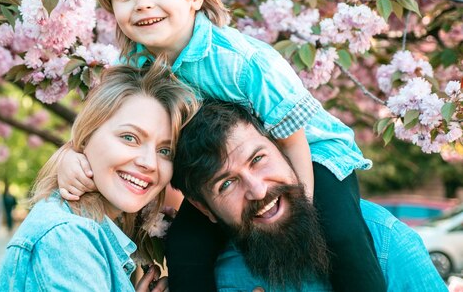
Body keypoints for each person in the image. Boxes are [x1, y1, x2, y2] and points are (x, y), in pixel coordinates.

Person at [59, 0, 384, 292]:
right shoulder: (136, 69)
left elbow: (294, 141)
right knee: (183, 245)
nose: (143, 3)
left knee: (341, 232)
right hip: (225, 174)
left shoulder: (239, 60)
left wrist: (301, 208)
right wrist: (73, 154)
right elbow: (103, 128)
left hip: (313, 155)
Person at [171, 99, 447, 291]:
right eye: (226, 184)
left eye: (257, 159)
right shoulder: (204, 269)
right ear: (203, 207)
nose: (257, 190)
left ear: (283, 147)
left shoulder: (385, 240)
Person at [0, 61, 198, 292]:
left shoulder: (88, 230)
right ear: (87, 136)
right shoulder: (70, 239)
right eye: (129, 137)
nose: (149, 163)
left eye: (164, 151)